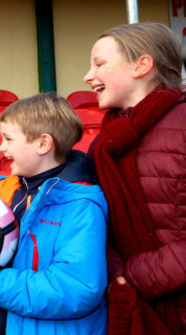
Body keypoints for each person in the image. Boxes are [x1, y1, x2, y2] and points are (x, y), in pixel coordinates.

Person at [0, 93, 109, 334]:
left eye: (8, 139)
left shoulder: (80, 205)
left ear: (43, 144)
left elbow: (77, 288)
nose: (1, 147)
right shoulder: (7, 192)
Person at [84, 22, 185, 334]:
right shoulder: (102, 146)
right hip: (137, 305)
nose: (88, 77)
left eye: (99, 64)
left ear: (142, 65)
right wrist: (116, 271)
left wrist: (139, 275)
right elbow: (101, 226)